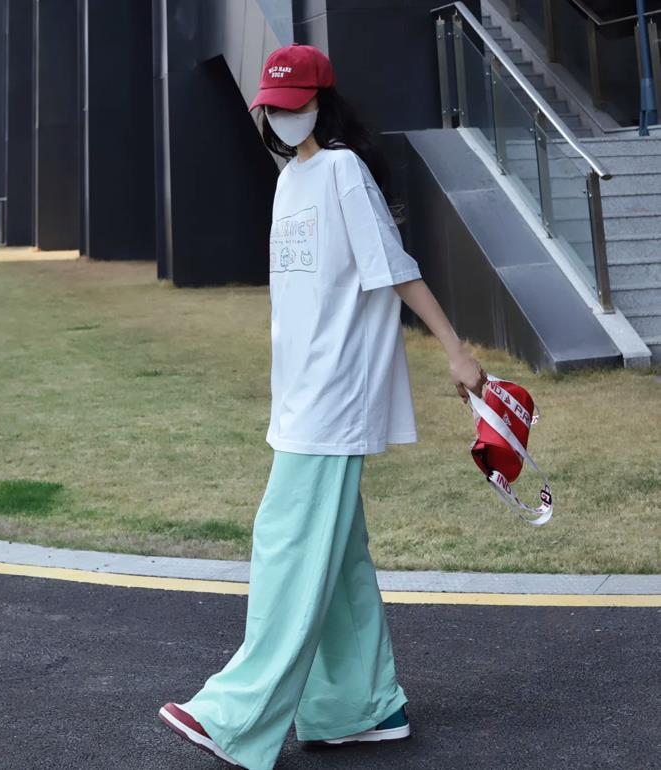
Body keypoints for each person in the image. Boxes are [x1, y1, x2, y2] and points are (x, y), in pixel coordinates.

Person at [158, 42, 487, 770]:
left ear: (321, 102)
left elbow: (395, 271)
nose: (280, 117)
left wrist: (457, 352)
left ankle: (235, 715)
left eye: (292, 104)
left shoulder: (342, 171)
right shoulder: (289, 181)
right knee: (338, 561)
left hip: (336, 395)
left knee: (286, 543)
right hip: (301, 396)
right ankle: (366, 707)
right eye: (271, 108)